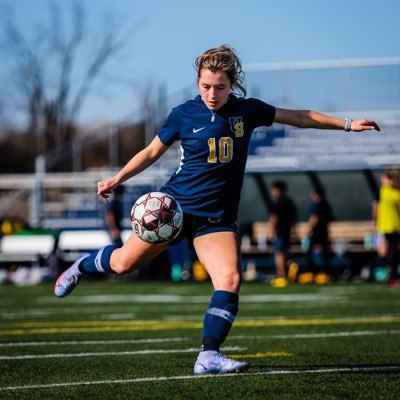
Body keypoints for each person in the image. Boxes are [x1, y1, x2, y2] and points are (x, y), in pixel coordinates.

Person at [54, 45, 380, 374]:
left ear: (232, 84)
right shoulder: (183, 113)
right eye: (206, 86)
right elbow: (152, 151)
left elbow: (299, 117)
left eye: (220, 87)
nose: (212, 94)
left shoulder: (248, 110)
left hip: (217, 217)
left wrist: (348, 124)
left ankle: (208, 356)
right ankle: (82, 265)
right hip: (174, 211)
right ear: (198, 82)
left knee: (231, 279)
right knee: (123, 264)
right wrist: (117, 178)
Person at [299, 187, 333, 284]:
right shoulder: (326, 204)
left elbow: (314, 219)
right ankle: (324, 273)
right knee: (324, 253)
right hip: (324, 232)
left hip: (317, 232)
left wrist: (307, 230)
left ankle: (311, 273)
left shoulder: (316, 205)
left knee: (309, 251)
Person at [267, 180, 297, 288]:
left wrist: (270, 230)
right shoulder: (289, 202)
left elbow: (274, 217)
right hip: (287, 231)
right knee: (284, 253)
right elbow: (294, 219)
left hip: (280, 231)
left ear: (278, 190)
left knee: (278, 254)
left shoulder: (278, 202)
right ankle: (291, 265)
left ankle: (281, 277)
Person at [373, 168, 400, 288]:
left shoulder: (397, 192)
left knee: (393, 252)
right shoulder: (383, 191)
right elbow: (376, 207)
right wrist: (375, 221)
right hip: (385, 226)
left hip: (396, 225)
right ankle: (391, 274)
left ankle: (393, 276)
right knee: (384, 252)